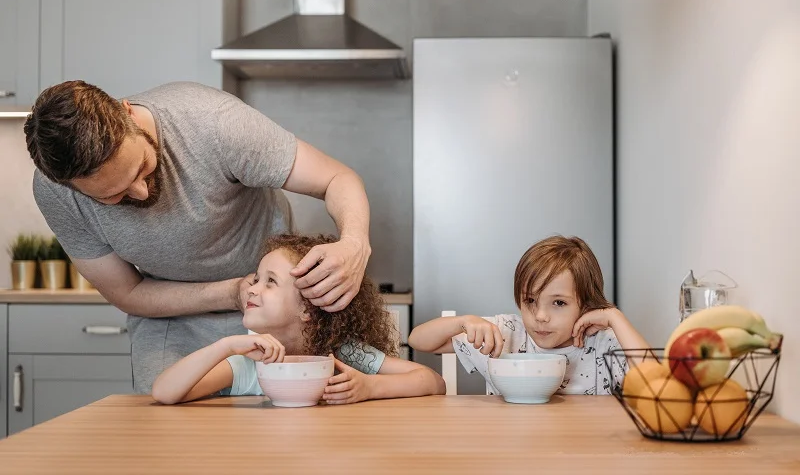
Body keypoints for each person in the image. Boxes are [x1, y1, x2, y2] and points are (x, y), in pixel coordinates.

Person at [24, 80, 373, 393]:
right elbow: (128, 292)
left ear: (127, 113)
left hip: (272, 313)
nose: (141, 193)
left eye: (142, 168)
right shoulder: (56, 195)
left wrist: (355, 243)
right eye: (113, 197)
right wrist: (230, 292)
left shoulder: (214, 124)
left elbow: (335, 179)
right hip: (170, 316)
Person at [151, 234, 445, 404]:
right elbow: (164, 392)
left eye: (270, 282)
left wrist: (370, 388)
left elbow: (432, 381)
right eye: (256, 279)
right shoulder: (250, 363)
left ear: (309, 308)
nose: (251, 288)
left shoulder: (345, 355)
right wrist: (225, 346)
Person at [408, 235, 649, 395]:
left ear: (586, 305)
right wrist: (462, 322)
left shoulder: (602, 342)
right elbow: (418, 340)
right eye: (530, 300)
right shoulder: (505, 333)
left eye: (558, 302)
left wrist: (615, 318)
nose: (541, 316)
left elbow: (656, 386)